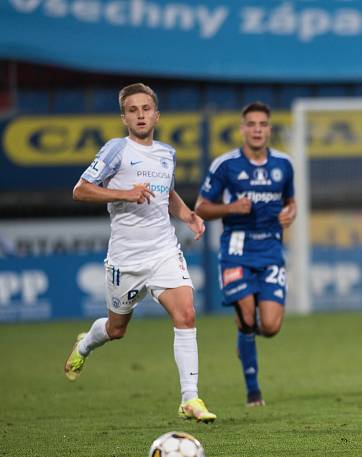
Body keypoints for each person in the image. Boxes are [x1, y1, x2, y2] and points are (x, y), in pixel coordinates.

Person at [64, 83, 216, 423]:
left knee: (186, 314)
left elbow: (167, 192)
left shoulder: (167, 153)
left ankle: (190, 398)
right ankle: (86, 344)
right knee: (117, 329)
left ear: (157, 115)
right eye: (133, 110)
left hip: (163, 250)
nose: (140, 115)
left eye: (146, 109)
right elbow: (80, 190)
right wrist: (124, 193)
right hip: (126, 259)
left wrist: (188, 214)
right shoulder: (116, 149)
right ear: (124, 118)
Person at [194, 101, 296, 407]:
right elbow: (200, 207)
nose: (256, 130)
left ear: (269, 129)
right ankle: (254, 392)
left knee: (271, 327)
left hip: (270, 250)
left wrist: (290, 213)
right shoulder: (225, 166)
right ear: (242, 129)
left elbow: (291, 202)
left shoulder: (283, 165)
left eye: (262, 124)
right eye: (251, 124)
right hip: (236, 250)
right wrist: (230, 208)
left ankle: (246, 336)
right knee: (245, 318)